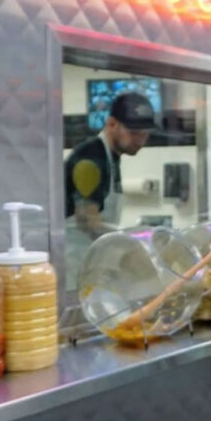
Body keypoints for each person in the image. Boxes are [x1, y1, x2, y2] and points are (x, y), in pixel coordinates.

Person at [64, 91, 158, 287]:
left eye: (145, 132)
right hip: (75, 264)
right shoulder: (90, 159)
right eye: (133, 132)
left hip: (92, 260)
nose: (141, 140)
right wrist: (135, 244)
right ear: (111, 124)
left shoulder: (111, 157)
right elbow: (86, 221)